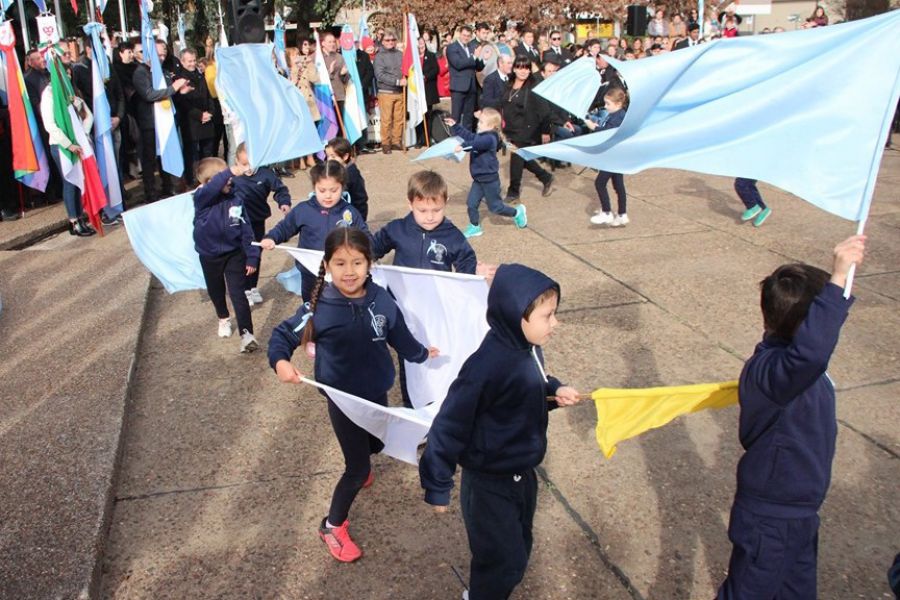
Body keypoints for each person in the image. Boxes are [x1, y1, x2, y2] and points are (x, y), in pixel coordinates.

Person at [268, 227, 440, 562]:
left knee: (377, 443)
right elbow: (281, 336)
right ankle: (332, 526)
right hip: (343, 400)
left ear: (370, 263)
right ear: (327, 266)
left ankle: (364, 460)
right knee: (357, 469)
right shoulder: (318, 307)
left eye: (358, 262)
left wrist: (422, 354)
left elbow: (400, 337)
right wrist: (280, 363)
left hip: (376, 391)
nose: (350, 271)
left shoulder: (383, 299)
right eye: (341, 263)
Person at [715, 235, 866, 600]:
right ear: (806, 327)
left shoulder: (789, 365)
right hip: (772, 517)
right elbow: (812, 354)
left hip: (799, 512)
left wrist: (838, 289)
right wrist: (838, 278)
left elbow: (813, 350)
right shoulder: (777, 371)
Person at [419, 263, 582, 600]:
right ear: (514, 315)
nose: (556, 322)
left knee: (519, 549)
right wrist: (437, 483)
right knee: (502, 562)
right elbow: (450, 424)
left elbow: (529, 388)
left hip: (522, 472)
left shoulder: (529, 349)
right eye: (548, 316)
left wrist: (554, 391)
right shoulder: (486, 367)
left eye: (555, 313)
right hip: (489, 482)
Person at [259, 160, 369, 301]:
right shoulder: (304, 210)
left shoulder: (349, 212)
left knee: (340, 310)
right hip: (310, 272)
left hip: (341, 273)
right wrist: (271, 237)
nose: (328, 196)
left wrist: (370, 253)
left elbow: (364, 236)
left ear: (342, 187)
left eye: (334, 190)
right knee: (311, 309)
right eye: (322, 190)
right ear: (314, 187)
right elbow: (285, 227)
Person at [192, 157, 260, 353]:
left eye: (228, 178)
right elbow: (212, 188)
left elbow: (247, 229)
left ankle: (247, 335)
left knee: (239, 294)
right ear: (207, 184)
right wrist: (230, 171)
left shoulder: (236, 198)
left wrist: (252, 255)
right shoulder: (201, 199)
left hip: (233, 253)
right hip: (209, 255)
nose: (229, 181)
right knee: (216, 290)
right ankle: (223, 317)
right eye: (223, 179)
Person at [371, 170, 477, 273]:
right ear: (410, 204)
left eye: (436, 210)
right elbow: (372, 247)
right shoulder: (397, 229)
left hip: (436, 290)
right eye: (422, 211)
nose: (430, 217)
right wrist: (367, 260)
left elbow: (467, 260)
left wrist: (470, 273)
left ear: (445, 202)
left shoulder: (452, 235)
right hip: (401, 289)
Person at [447, 108, 527, 238]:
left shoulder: (490, 139)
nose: (478, 124)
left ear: (491, 126)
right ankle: (474, 227)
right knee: (471, 204)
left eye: (481, 122)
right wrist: (455, 126)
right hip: (478, 180)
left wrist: (462, 146)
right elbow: (470, 136)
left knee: (496, 208)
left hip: (490, 181)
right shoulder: (482, 135)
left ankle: (517, 212)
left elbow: (475, 143)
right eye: (479, 122)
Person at [40, 57, 96, 236]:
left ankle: (80, 216)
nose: (69, 77)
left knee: (79, 181)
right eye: (65, 74)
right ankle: (73, 220)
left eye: (70, 74)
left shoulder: (71, 92)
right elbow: (50, 124)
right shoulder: (49, 94)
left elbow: (87, 115)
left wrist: (83, 135)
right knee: (70, 181)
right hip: (61, 145)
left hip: (78, 143)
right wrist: (68, 143)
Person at [230, 142, 291, 306]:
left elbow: (280, 189)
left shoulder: (265, 174)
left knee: (255, 254)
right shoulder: (232, 177)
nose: (248, 168)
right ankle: (243, 289)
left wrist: (283, 202)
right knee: (241, 256)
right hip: (238, 223)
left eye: (251, 163)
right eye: (243, 164)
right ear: (236, 161)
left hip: (257, 221)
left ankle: (252, 287)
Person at [133, 39, 192, 202]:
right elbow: (149, 94)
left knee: (166, 154)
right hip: (150, 123)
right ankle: (150, 192)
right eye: (158, 54)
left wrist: (180, 90)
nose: (161, 57)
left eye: (163, 54)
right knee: (149, 158)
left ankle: (169, 186)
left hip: (166, 121)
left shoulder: (164, 71)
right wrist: (173, 88)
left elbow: (168, 93)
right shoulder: (141, 72)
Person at [502, 57, 554, 202]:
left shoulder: (533, 86)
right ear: (514, 68)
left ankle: (513, 192)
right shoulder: (509, 84)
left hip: (528, 128)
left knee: (517, 156)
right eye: (520, 67)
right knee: (522, 157)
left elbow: (545, 111)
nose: (523, 71)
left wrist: (545, 132)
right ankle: (546, 177)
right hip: (511, 128)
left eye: (526, 68)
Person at [588, 88, 629, 227]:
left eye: (608, 104)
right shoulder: (618, 115)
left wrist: (594, 127)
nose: (605, 106)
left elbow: (609, 133)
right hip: (618, 156)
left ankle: (606, 212)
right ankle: (622, 214)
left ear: (618, 104)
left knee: (600, 183)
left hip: (613, 156)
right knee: (618, 185)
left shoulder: (618, 117)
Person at [175, 48, 216, 186]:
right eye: (189, 61)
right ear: (182, 61)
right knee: (191, 153)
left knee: (207, 151)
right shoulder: (179, 78)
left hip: (207, 119)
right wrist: (199, 115)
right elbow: (182, 102)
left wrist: (210, 111)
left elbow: (207, 95)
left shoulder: (200, 75)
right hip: (191, 121)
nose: (192, 64)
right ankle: (192, 179)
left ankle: (208, 177)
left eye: (194, 60)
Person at [372, 29, 405, 154]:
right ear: (383, 42)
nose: (390, 42)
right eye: (387, 40)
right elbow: (380, 75)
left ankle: (396, 141)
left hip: (399, 91)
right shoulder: (379, 56)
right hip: (386, 92)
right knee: (386, 119)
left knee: (399, 119)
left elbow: (405, 69)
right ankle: (386, 143)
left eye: (393, 40)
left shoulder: (400, 54)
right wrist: (397, 81)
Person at [446, 25, 485, 131]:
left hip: (471, 87)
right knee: (455, 117)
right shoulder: (452, 47)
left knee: (469, 117)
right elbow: (458, 64)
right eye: (464, 35)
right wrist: (474, 57)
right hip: (458, 87)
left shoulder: (471, 48)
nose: (466, 38)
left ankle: (467, 142)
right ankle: (453, 142)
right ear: (459, 34)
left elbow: (478, 67)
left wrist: (483, 60)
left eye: (468, 36)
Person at [291, 41, 320, 169]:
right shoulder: (292, 67)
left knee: (311, 130)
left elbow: (315, 79)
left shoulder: (308, 63)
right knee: (300, 131)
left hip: (309, 101)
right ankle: (301, 158)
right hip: (297, 101)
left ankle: (310, 156)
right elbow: (292, 82)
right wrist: (296, 67)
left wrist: (310, 65)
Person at [325, 137, 369, 220]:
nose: (329, 159)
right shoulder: (334, 170)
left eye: (333, 156)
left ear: (345, 156)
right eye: (327, 156)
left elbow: (360, 198)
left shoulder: (352, 174)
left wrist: (360, 218)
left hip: (350, 215)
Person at [417, 36, 439, 148]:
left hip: (428, 90)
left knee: (428, 115)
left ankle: (427, 138)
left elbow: (436, 69)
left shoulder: (430, 55)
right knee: (418, 116)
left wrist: (425, 76)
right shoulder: (413, 57)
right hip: (417, 91)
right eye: (418, 43)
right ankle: (419, 139)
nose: (420, 45)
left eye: (422, 43)